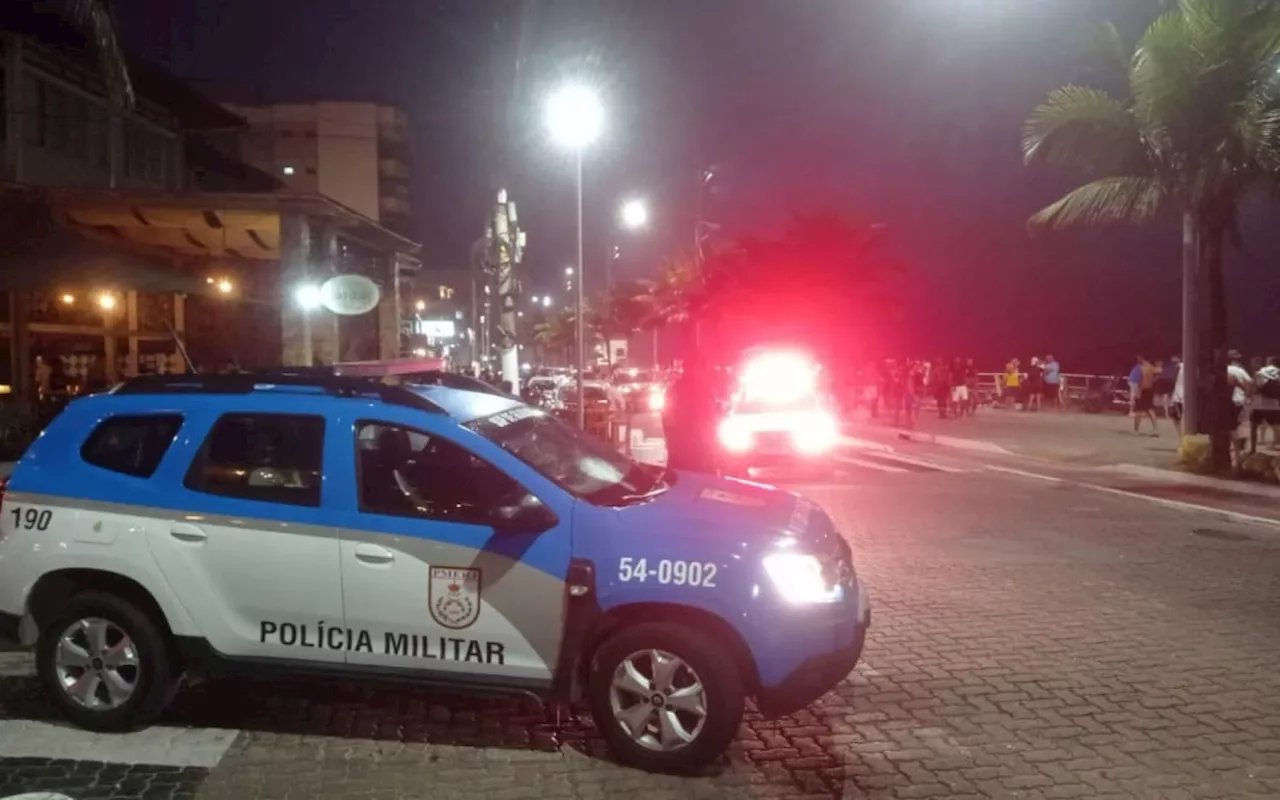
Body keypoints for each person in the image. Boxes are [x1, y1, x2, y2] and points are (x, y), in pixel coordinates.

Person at [662, 354, 722, 473]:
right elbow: (712, 420)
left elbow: (667, 421)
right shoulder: (704, 391)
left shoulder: (676, 390)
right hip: (693, 454)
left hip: (688, 454)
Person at [1132, 356, 1159, 435]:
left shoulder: (1142, 368)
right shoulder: (1153, 368)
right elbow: (1155, 379)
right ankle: (1155, 429)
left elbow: (1142, 381)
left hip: (1143, 389)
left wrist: (1139, 392)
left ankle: (1136, 430)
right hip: (1151, 390)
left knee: (1138, 410)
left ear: (1141, 358)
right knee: (1150, 409)